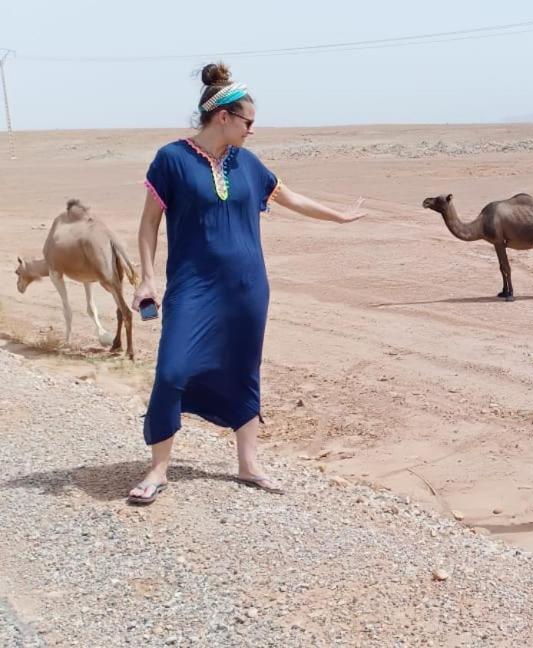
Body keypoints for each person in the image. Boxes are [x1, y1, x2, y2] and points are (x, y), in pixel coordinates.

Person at [127, 62, 365, 504]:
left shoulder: (247, 163)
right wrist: (146, 278)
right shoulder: (172, 160)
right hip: (192, 287)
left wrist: (339, 216)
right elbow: (148, 226)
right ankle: (159, 468)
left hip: (247, 288)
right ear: (223, 117)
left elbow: (288, 196)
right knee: (172, 369)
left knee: (243, 368)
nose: (252, 131)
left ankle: (248, 463)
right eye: (248, 122)